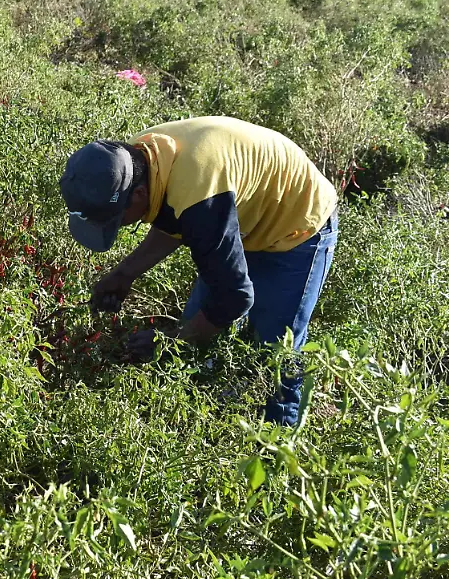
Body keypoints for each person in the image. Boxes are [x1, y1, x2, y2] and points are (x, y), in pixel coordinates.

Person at [60, 116, 339, 426]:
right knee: (198, 338)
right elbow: (174, 217)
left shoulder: (198, 191)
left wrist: (173, 340)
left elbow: (233, 298)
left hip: (295, 228)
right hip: (239, 214)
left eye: (113, 220)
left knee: (276, 350)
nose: (114, 227)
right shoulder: (140, 158)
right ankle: (209, 419)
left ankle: (277, 445)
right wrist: (124, 274)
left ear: (136, 195)